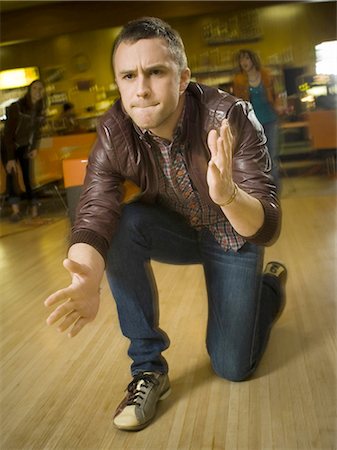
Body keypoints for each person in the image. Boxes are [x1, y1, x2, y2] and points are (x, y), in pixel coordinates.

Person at [44, 17, 287, 432]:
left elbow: (267, 228)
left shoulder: (229, 116)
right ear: (119, 83)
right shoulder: (114, 129)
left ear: (182, 77)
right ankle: (148, 369)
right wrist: (86, 275)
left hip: (234, 234)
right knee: (124, 221)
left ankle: (269, 288)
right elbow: (96, 206)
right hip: (177, 228)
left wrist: (227, 194)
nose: (141, 88)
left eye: (155, 72)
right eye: (128, 75)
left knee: (232, 366)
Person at [233, 49, 285, 192]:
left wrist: (279, 105)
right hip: (252, 124)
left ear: (253, 59)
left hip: (271, 119)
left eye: (247, 58)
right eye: (241, 59)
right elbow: (238, 102)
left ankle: (275, 190)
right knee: (257, 157)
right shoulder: (239, 79)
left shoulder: (266, 75)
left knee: (272, 155)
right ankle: (263, 190)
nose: (244, 62)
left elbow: (277, 94)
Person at [4, 79, 45, 221]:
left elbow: (37, 132)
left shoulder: (39, 109)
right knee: (12, 175)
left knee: (28, 176)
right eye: (35, 88)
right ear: (29, 90)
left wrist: (34, 147)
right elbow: (8, 134)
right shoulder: (17, 107)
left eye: (41, 89)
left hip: (24, 146)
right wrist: (10, 158)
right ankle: (15, 211)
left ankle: (33, 208)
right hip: (8, 145)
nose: (38, 91)